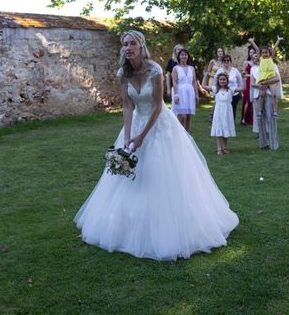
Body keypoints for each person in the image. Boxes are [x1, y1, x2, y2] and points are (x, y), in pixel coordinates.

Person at [75, 30, 239, 261]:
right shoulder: (124, 72)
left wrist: (142, 136)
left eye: (132, 43)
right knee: (130, 177)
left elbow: (158, 106)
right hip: (135, 126)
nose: (128, 47)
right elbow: (127, 106)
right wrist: (129, 136)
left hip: (160, 127)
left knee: (160, 174)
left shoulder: (155, 70)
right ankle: (128, 224)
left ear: (141, 46)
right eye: (125, 44)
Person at [251, 57, 283, 150]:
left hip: (268, 94)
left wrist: (266, 83)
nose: (256, 59)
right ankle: (263, 144)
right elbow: (252, 83)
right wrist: (259, 85)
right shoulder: (253, 69)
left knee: (271, 118)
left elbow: (277, 78)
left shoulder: (271, 66)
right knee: (260, 121)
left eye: (257, 58)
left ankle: (274, 144)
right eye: (254, 58)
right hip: (258, 95)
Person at [249, 36, 283, 118]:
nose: (264, 54)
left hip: (271, 78)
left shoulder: (271, 58)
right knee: (261, 95)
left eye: (266, 52)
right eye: (263, 52)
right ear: (261, 54)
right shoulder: (261, 59)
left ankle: (275, 111)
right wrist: (252, 42)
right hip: (263, 78)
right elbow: (257, 49)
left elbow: (274, 48)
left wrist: (278, 40)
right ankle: (260, 111)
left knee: (274, 95)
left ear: (269, 53)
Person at [171, 48, 198, 132]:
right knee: (182, 116)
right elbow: (174, 82)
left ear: (188, 56)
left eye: (185, 55)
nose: (184, 56)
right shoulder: (176, 68)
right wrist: (176, 95)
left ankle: (188, 135)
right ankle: (180, 134)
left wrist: (196, 94)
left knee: (188, 116)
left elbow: (194, 82)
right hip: (180, 92)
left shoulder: (192, 68)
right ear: (179, 57)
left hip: (190, 92)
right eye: (182, 55)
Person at [212, 55, 244, 122]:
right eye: (224, 60)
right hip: (223, 92)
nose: (226, 62)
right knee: (223, 109)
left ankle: (231, 123)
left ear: (230, 62)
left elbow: (240, 81)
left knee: (232, 109)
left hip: (234, 93)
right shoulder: (219, 71)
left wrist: (239, 90)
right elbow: (215, 81)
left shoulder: (235, 70)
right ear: (222, 62)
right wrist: (215, 91)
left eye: (228, 60)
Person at [210, 73, 236, 155]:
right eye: (220, 79)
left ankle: (224, 147)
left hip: (227, 111)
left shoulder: (230, 90)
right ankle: (219, 149)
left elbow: (243, 88)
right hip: (219, 112)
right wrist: (207, 76)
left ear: (227, 81)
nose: (222, 81)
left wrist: (243, 78)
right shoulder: (215, 89)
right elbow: (203, 86)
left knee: (226, 127)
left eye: (224, 79)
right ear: (218, 80)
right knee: (219, 128)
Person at [241, 47, 257, 126]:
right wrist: (251, 75)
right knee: (247, 100)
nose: (252, 54)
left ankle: (253, 119)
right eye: (250, 52)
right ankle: (244, 118)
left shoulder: (257, 63)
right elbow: (243, 73)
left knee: (253, 100)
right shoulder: (246, 62)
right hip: (248, 82)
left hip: (255, 82)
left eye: (253, 52)